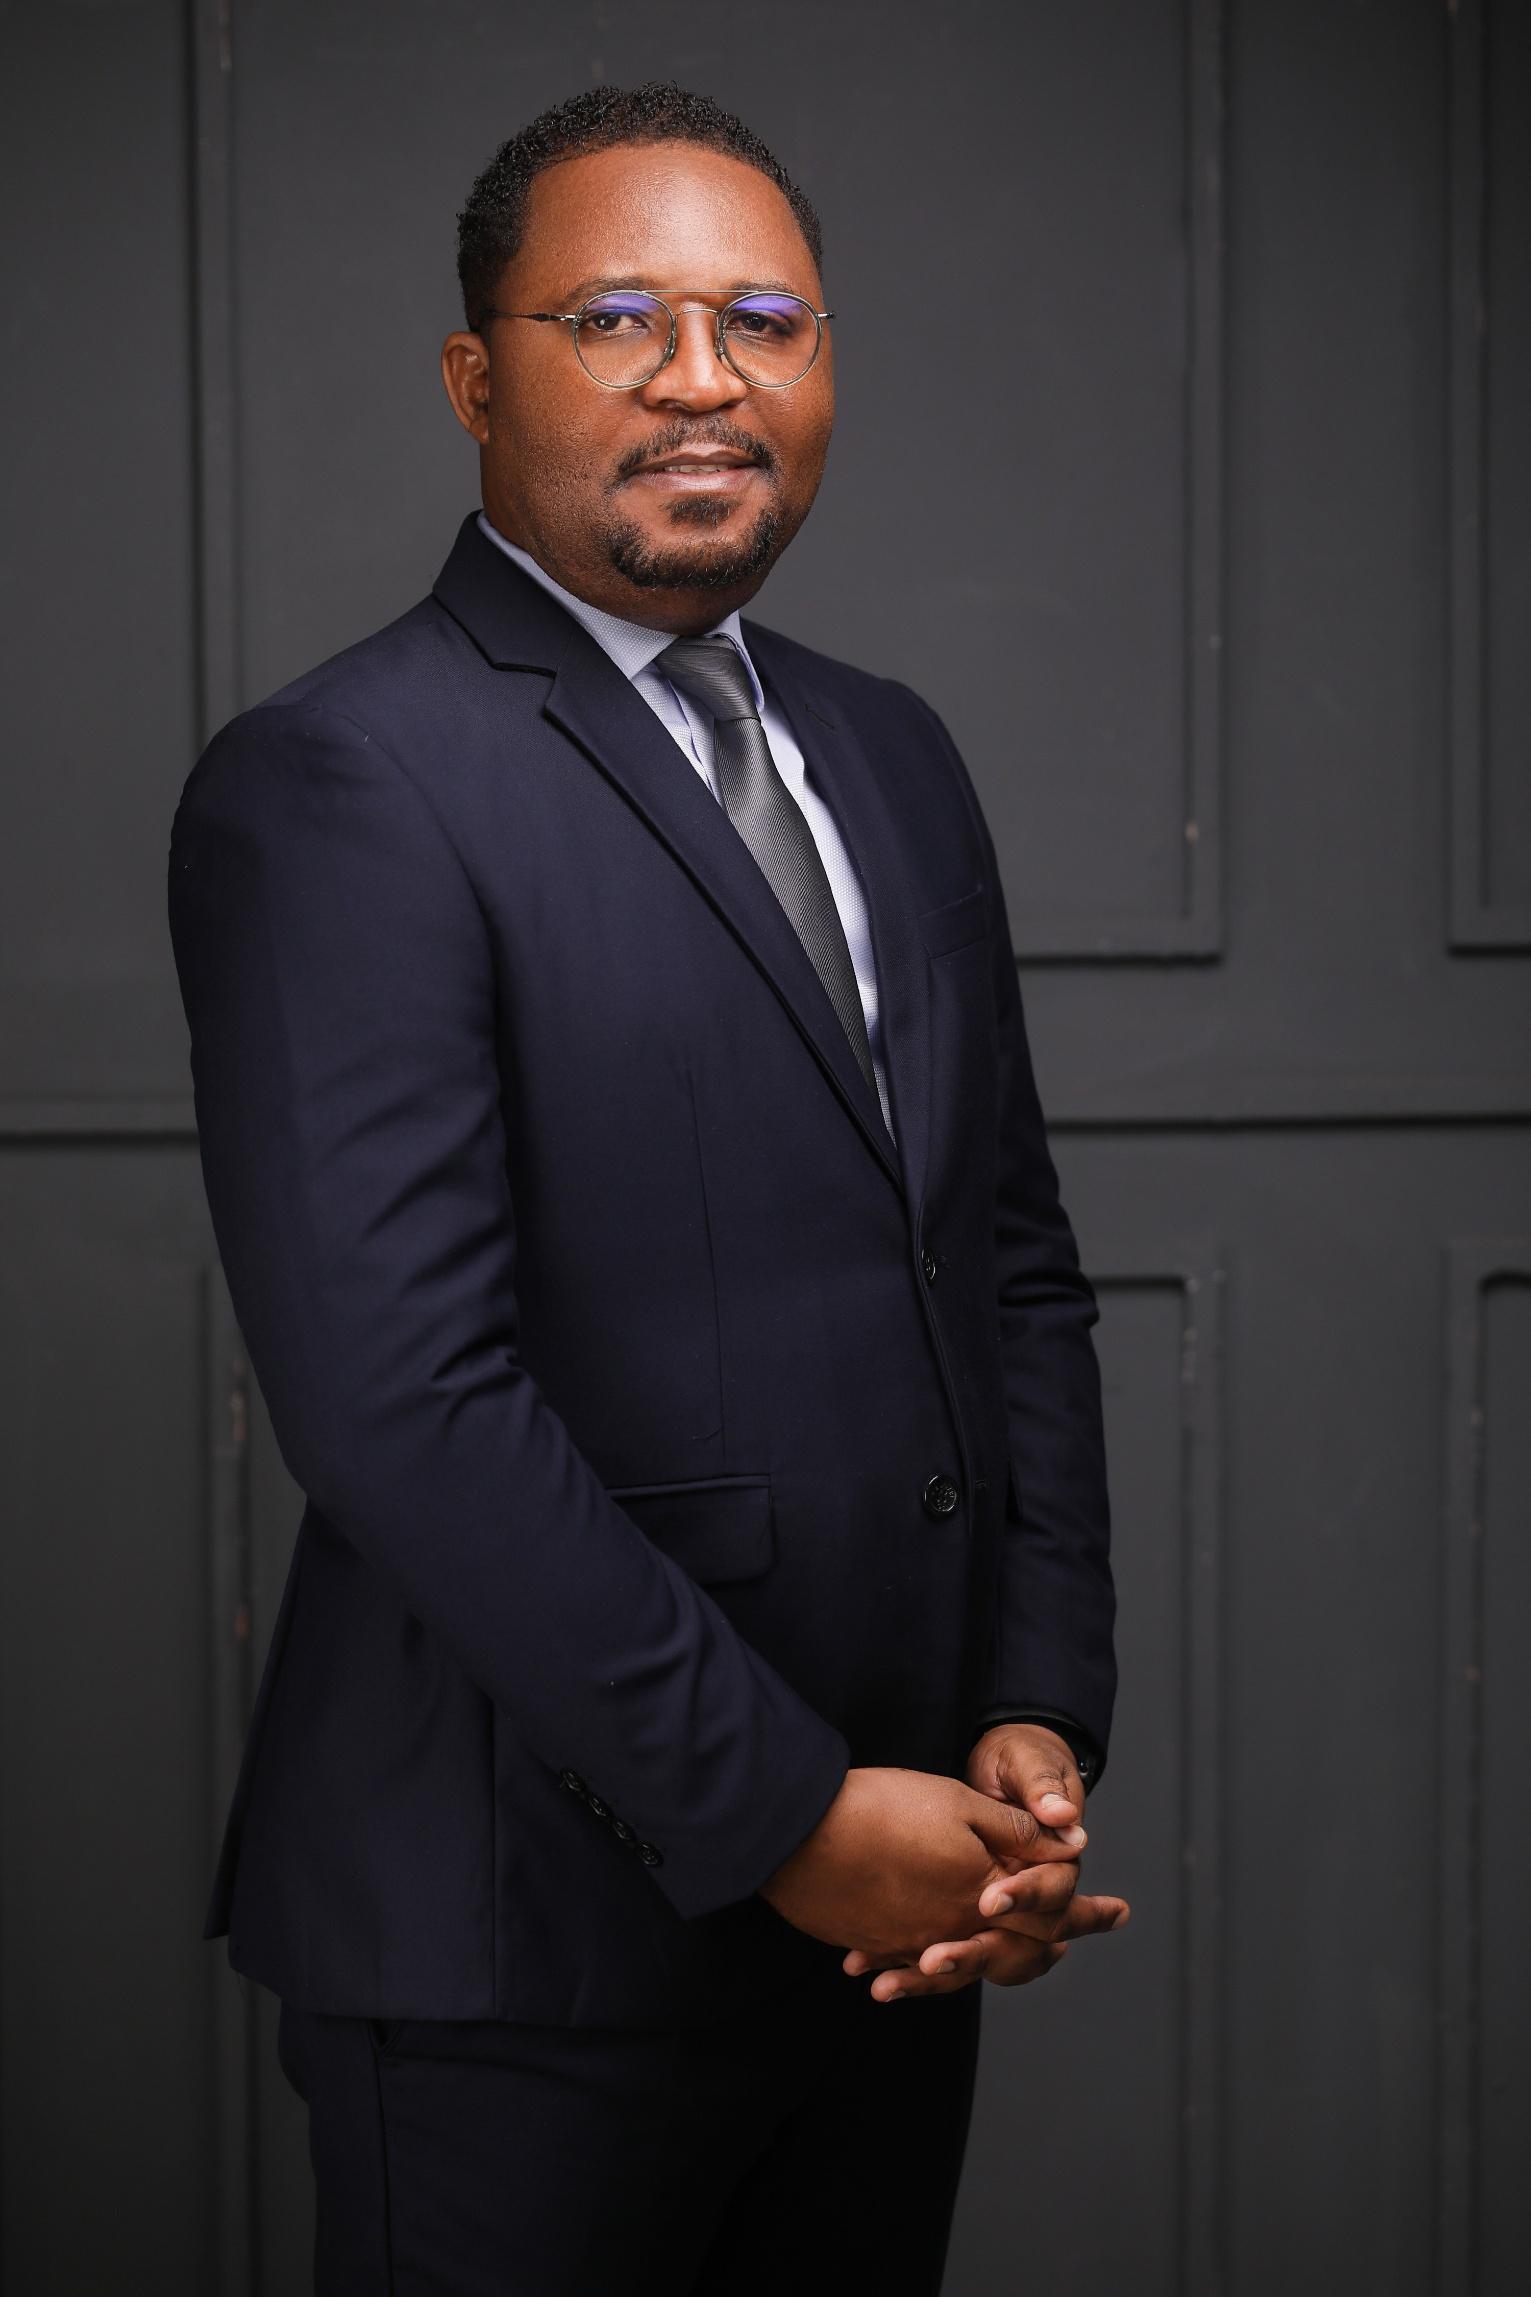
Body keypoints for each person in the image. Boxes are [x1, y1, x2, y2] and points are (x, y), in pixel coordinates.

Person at [167, 80, 1125, 2297]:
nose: (705, 378)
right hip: (525, 1948)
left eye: (763, 320)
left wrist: (1034, 1711)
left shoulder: (889, 751)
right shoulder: (341, 782)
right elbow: (402, 1400)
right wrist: (784, 1813)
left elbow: (1006, 1266)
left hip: (901, 1901)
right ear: (473, 377)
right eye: (617, 318)